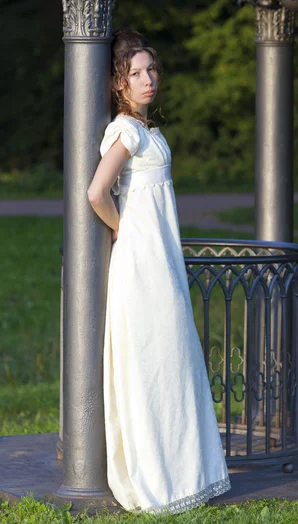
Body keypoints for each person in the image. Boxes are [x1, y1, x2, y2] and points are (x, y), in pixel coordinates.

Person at [87, 29, 231, 515]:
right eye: (136, 73)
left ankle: (186, 473)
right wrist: (122, 228)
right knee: (153, 364)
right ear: (117, 84)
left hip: (161, 261)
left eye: (151, 70)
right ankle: (158, 478)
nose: (148, 79)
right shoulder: (126, 131)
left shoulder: (149, 132)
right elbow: (96, 192)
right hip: (142, 264)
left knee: (173, 362)